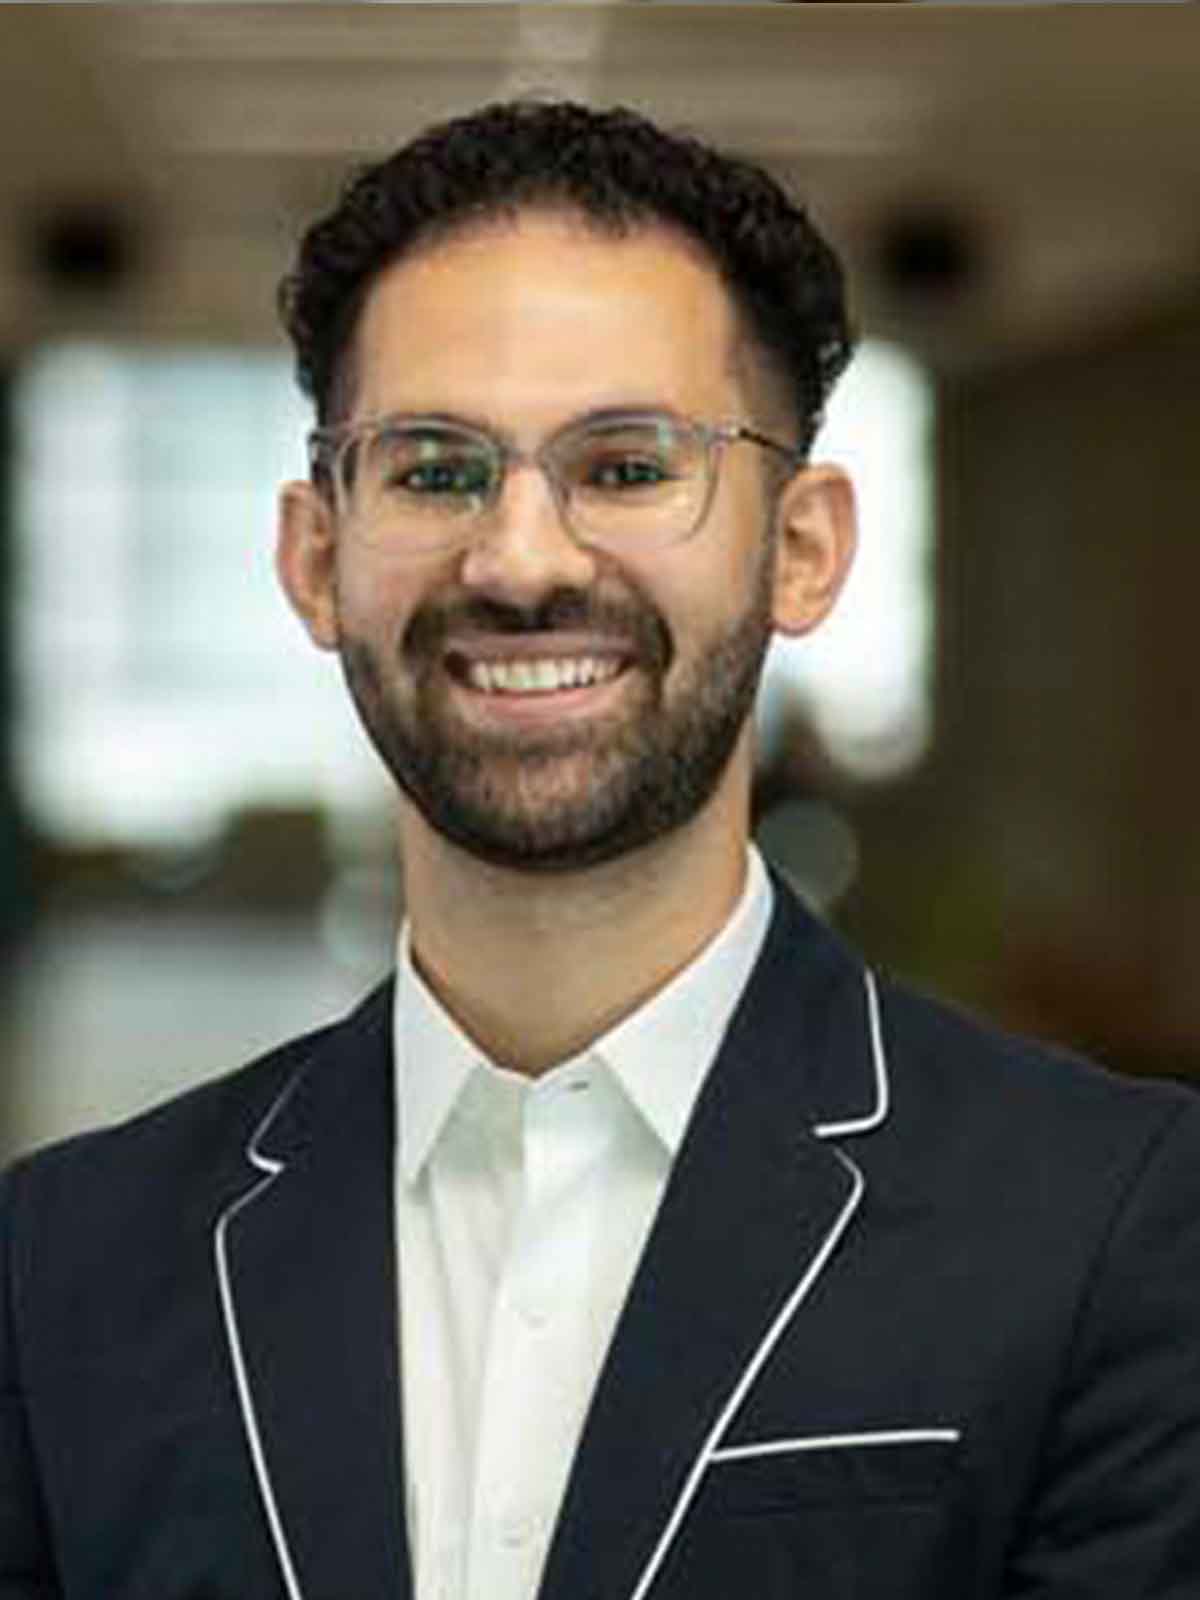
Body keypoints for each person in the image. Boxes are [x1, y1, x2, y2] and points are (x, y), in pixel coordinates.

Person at [2, 99, 1198, 1600]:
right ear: (317, 558)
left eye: (629, 467)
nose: (520, 558)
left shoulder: (1112, 1228)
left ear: (805, 547)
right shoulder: (63, 1267)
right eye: (435, 468)